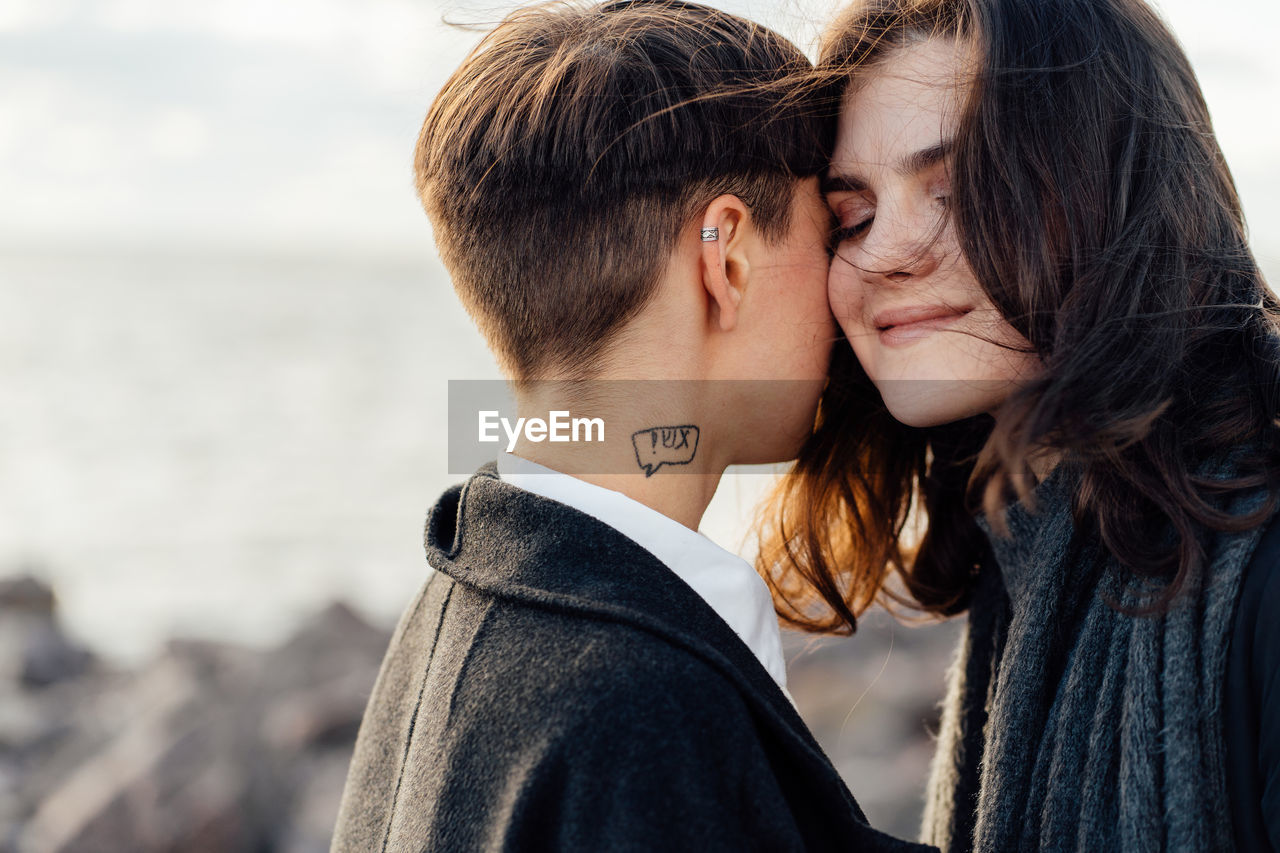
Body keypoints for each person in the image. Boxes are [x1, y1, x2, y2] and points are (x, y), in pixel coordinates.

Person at [331, 1, 935, 850]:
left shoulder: (450, 613)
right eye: (834, 229)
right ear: (724, 259)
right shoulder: (644, 705)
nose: (853, 283)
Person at [757, 0, 1280, 850]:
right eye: (851, 216)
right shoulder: (1028, 550)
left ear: (1122, 190)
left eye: (959, 190)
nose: (883, 252)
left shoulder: (1260, 567)